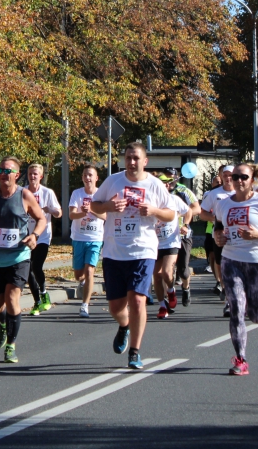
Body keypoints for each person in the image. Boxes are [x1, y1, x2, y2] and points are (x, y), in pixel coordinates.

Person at [90, 143, 175, 370]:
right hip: (114, 252)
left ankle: (135, 352)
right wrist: (109, 205)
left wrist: (154, 211)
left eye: (136, 158)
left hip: (143, 250)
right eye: (128, 158)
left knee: (138, 300)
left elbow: (170, 214)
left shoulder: (155, 185)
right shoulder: (113, 181)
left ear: (145, 161)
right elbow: (94, 206)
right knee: (116, 308)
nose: (132, 162)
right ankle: (124, 325)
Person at [0, 157, 47, 363]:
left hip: (19, 256)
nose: (3, 174)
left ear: (17, 175)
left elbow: (42, 218)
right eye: (0, 170)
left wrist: (35, 236)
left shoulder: (24, 195)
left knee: (12, 299)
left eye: (8, 171)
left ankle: (11, 346)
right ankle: (4, 323)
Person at [212, 161, 258, 376]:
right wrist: (218, 237)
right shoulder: (223, 204)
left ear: (252, 180)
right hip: (231, 259)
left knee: (254, 313)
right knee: (236, 308)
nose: (239, 181)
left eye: (244, 177)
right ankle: (240, 359)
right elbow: (218, 227)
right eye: (235, 177)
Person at [152, 173, 192, 320]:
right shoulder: (151, 202)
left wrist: (186, 225)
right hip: (155, 243)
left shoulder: (174, 200)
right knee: (156, 275)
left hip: (171, 242)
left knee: (167, 273)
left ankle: (170, 289)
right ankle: (162, 305)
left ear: (168, 186)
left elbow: (189, 212)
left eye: (166, 184)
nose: (163, 186)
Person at [25, 164, 61, 316]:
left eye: (35, 174)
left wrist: (49, 210)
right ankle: (37, 301)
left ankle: (44, 292)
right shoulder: (23, 192)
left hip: (43, 236)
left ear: (40, 176)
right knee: (27, 269)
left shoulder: (47, 192)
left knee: (36, 266)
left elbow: (59, 213)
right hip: (26, 236)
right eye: (30, 174)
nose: (32, 176)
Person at [199, 165, 235, 317]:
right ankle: (226, 292)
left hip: (238, 238)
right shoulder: (214, 194)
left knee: (236, 268)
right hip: (219, 236)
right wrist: (216, 218)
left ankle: (233, 300)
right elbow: (201, 213)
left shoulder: (241, 193)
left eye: (230, 175)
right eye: (225, 175)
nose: (228, 178)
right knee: (222, 266)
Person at [68, 167, 105, 317]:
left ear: (96, 178)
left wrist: (92, 211)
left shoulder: (101, 195)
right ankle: (82, 282)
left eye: (90, 175)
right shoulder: (77, 193)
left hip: (95, 238)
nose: (87, 178)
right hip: (79, 237)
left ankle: (85, 305)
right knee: (78, 274)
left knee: (90, 270)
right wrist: (82, 213)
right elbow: (71, 215)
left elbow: (106, 217)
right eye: (85, 175)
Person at [162, 172, 200, 308]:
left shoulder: (183, 191)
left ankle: (186, 288)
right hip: (166, 239)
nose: (168, 182)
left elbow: (196, 209)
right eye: (166, 178)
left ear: (176, 178)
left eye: (171, 178)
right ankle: (167, 297)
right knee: (165, 271)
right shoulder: (156, 195)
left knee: (183, 269)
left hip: (183, 235)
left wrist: (182, 219)